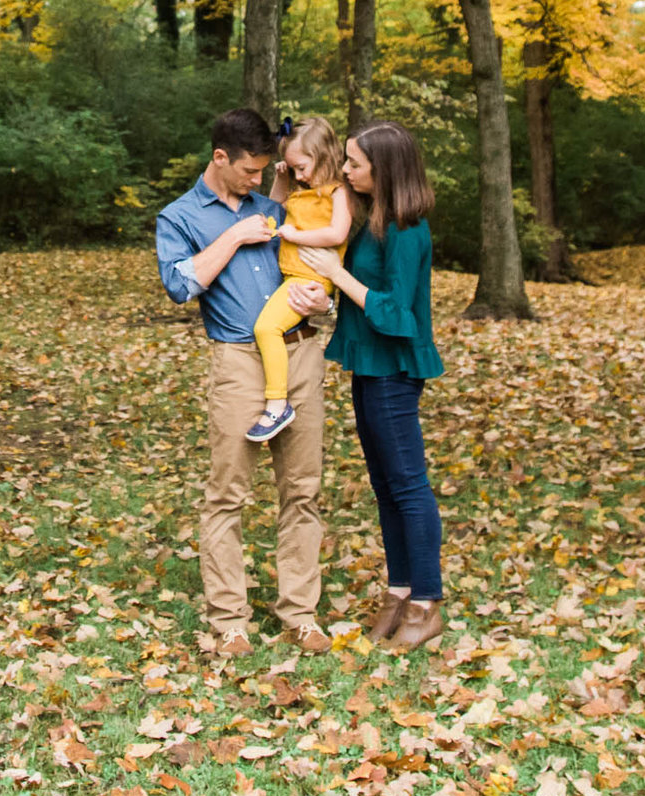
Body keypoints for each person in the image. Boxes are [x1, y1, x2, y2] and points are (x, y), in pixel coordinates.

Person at [154, 107, 334, 657]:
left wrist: (322, 302)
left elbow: (312, 273)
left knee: (302, 491)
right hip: (237, 363)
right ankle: (229, 620)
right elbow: (181, 287)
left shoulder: (273, 209)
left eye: (264, 171)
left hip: (301, 354)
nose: (259, 181)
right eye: (249, 171)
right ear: (219, 157)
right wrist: (233, 237)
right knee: (227, 494)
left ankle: (300, 614)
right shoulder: (179, 216)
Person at [290, 120, 447, 653]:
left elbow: (398, 314)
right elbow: (361, 297)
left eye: (356, 162)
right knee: (385, 487)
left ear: (386, 169)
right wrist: (328, 299)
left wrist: (338, 275)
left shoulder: (407, 229)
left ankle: (427, 602)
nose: (347, 169)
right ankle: (399, 593)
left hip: (394, 372)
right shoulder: (374, 222)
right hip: (367, 366)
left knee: (407, 485)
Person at [246, 116, 353, 444]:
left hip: (309, 279)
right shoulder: (301, 190)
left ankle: (277, 403)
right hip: (290, 276)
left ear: (326, 156)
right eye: (293, 169)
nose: (299, 175)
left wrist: (297, 234)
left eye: (303, 167)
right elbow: (274, 205)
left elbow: (337, 233)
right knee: (269, 329)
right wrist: (282, 178)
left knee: (266, 328)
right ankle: (277, 400)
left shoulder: (338, 193)